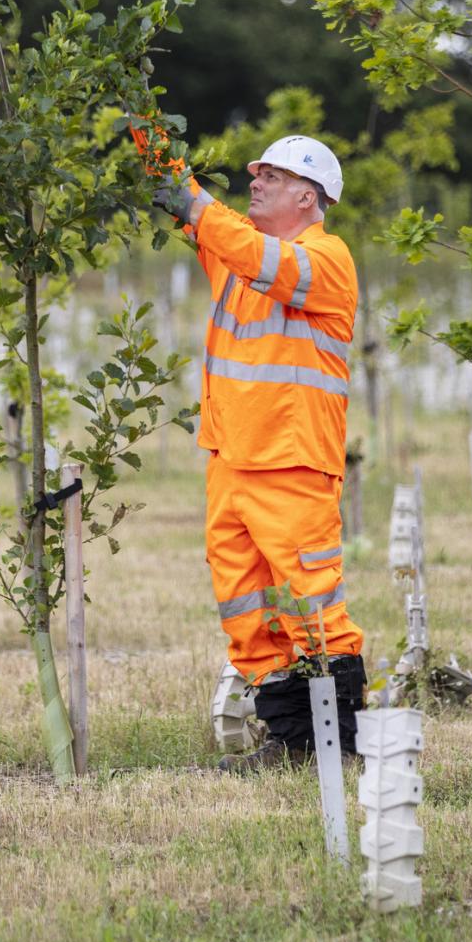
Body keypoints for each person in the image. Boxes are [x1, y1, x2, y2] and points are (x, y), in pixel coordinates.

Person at [142, 131, 366, 772]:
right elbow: (200, 214)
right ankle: (291, 742)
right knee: (248, 611)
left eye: (269, 175)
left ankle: (337, 745)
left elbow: (231, 238)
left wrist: (198, 211)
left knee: (311, 603)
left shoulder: (327, 258)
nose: (255, 181)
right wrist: (142, 119)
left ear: (307, 195)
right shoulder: (238, 254)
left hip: (292, 462)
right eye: (255, 173)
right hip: (231, 460)